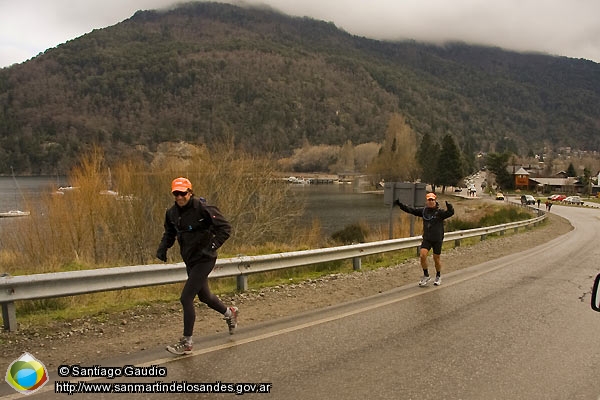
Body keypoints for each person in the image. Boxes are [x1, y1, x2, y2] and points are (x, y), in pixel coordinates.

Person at [156, 177, 238, 355]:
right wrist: (163, 248)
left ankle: (187, 342)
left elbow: (225, 229)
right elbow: (169, 233)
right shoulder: (172, 213)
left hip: (205, 259)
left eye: (182, 193)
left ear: (190, 192)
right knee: (205, 297)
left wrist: (212, 247)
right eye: (176, 193)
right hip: (190, 259)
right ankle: (230, 313)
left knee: (186, 298)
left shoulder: (203, 209)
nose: (179, 197)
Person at [395, 192, 454, 286]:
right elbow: (411, 210)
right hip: (427, 238)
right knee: (422, 256)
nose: (430, 201)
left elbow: (450, 213)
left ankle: (438, 276)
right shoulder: (424, 211)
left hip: (437, 239)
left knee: (436, 259)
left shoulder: (440, 212)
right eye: (429, 200)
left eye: (432, 200)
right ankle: (426, 275)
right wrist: (400, 205)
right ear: (427, 201)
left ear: (435, 200)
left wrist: (449, 206)